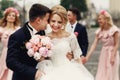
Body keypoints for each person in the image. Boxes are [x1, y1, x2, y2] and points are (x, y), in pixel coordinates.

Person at [36, 5, 94, 80]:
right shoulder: (45, 38)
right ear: (49, 21)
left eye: (59, 22)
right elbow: (43, 58)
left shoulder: (71, 37)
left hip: (68, 70)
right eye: (53, 21)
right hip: (50, 71)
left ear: (64, 22)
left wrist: (81, 73)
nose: (56, 25)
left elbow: (77, 59)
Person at [6, 4, 51, 80]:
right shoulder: (17, 36)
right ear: (38, 20)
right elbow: (11, 62)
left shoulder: (43, 33)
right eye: (47, 20)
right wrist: (34, 72)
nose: (48, 23)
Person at [83, 10, 120, 80]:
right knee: (102, 74)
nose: (98, 21)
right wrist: (87, 57)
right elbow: (94, 45)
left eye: (100, 19)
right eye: (98, 19)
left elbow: (116, 44)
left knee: (112, 74)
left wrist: (112, 56)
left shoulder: (115, 30)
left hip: (113, 54)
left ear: (106, 19)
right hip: (104, 54)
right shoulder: (99, 31)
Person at [0, 7, 21, 80]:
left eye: (13, 15)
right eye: (9, 15)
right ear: (6, 17)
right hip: (4, 53)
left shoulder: (18, 29)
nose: (11, 17)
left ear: (15, 18)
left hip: (15, 54)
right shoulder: (1, 29)